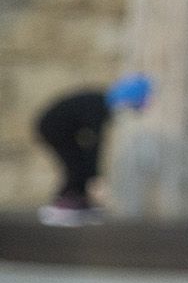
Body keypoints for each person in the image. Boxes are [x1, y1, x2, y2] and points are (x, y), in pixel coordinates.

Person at [34, 73, 151, 225]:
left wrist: (93, 173)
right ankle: (65, 203)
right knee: (77, 165)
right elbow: (94, 142)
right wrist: (95, 175)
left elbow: (92, 142)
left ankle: (78, 200)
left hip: (60, 129)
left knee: (80, 164)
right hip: (52, 128)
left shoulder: (101, 103)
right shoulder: (99, 106)